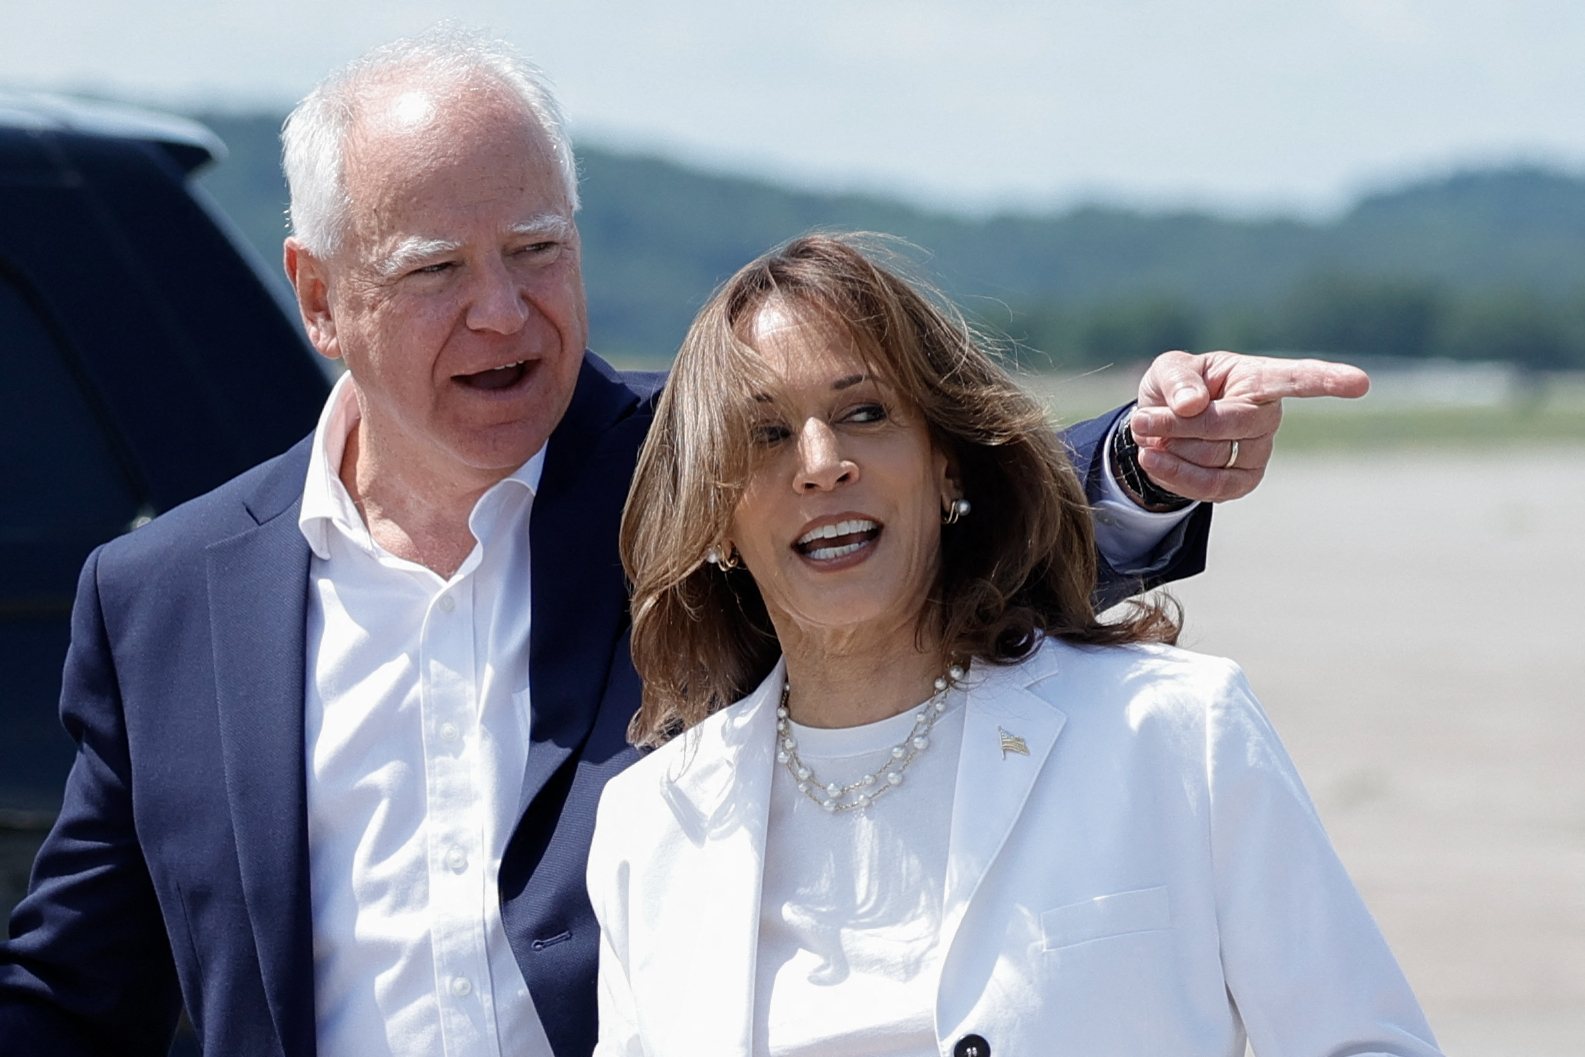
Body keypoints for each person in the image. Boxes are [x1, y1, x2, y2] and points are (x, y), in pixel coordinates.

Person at [0, 26, 1367, 1057]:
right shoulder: (166, 597)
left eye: (536, 249)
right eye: (435, 271)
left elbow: (909, 494)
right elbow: (75, 991)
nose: (504, 313)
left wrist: (1141, 455)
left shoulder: (706, 459)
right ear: (319, 296)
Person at [588, 234, 1440, 1056]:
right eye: (764, 434)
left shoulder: (1175, 730)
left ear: (946, 463)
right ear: (716, 514)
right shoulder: (648, 824)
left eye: (865, 412)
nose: (821, 463)